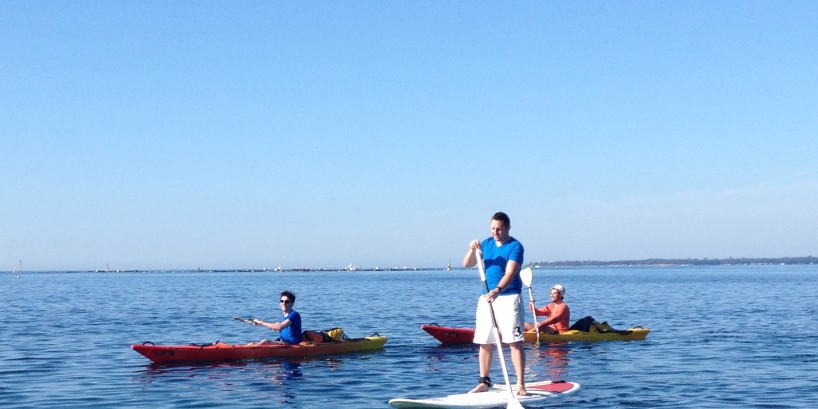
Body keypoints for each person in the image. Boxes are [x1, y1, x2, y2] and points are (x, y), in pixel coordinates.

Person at [462, 211, 527, 396]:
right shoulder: (486, 243)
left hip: (509, 297)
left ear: (507, 228)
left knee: (514, 341)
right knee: (484, 340)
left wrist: (498, 290)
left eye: (498, 229)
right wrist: (472, 249)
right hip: (486, 298)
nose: (495, 232)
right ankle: (484, 382)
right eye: (492, 228)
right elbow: (467, 263)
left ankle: (520, 384)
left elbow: (510, 273)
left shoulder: (515, 246)